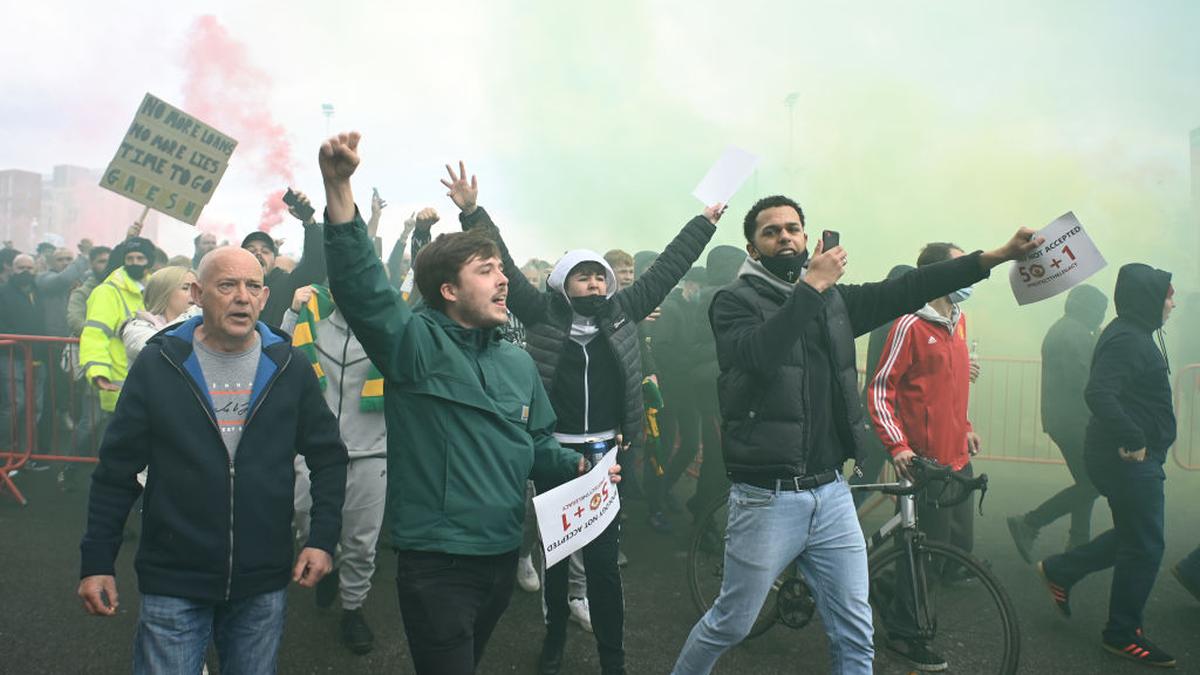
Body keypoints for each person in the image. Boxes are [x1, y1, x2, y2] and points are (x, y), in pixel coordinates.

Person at [671, 195, 1039, 675]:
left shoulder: (834, 302)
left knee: (854, 631)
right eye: (771, 231)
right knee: (731, 624)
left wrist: (995, 256)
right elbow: (760, 356)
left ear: (807, 238)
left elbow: (911, 287)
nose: (785, 236)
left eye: (793, 228)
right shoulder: (734, 301)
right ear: (753, 248)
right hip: (768, 497)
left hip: (831, 493)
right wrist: (813, 287)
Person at [318, 132, 619, 675]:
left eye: (503, 271)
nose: (505, 281)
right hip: (438, 564)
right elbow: (362, 287)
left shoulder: (517, 363)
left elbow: (535, 442)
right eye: (488, 272)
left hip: (502, 556)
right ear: (449, 290)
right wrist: (339, 190)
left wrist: (580, 466)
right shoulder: (414, 346)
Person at [438, 160, 725, 675]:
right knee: (553, 555)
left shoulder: (624, 311)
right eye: (582, 276)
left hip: (606, 457)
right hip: (553, 456)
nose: (593, 284)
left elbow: (670, 267)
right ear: (562, 283)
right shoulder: (540, 313)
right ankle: (552, 642)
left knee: (603, 567)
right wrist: (472, 212)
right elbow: (497, 254)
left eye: (600, 277)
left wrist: (705, 221)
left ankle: (612, 658)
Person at [77, 246, 349, 674]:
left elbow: (329, 457)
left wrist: (322, 536)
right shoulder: (160, 363)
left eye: (253, 286)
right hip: (173, 578)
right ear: (198, 295)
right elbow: (116, 471)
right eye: (227, 286)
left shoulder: (288, 366)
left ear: (264, 297)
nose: (242, 296)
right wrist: (96, 561)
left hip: (261, 579)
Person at [1037, 264, 1177, 668]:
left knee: (1135, 536)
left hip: (1126, 456)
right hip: (1127, 459)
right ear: (1149, 298)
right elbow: (1098, 392)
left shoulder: (1130, 333)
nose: (1172, 303)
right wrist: (1134, 439)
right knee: (1146, 545)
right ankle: (1121, 634)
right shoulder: (1127, 339)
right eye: (1168, 296)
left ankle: (1061, 570)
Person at [867, 242, 981, 671]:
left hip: (956, 458)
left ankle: (882, 586)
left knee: (945, 550)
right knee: (925, 557)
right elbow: (880, 389)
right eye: (961, 266)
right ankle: (904, 632)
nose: (971, 274)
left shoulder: (959, 320)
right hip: (923, 463)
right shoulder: (909, 324)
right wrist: (897, 446)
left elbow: (949, 386)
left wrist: (966, 427)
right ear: (936, 276)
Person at [282, 284, 388, 655]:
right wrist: (293, 312)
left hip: (371, 451)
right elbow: (280, 356)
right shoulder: (313, 323)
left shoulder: (386, 331)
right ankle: (327, 559)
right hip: (313, 451)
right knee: (305, 520)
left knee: (362, 541)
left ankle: (353, 608)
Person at [1008, 284, 1108, 560]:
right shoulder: (1075, 335)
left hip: (1064, 419)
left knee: (1085, 481)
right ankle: (1030, 522)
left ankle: (1078, 542)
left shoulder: (1064, 329)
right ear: (1089, 310)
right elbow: (1085, 381)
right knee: (1093, 483)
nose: (1101, 317)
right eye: (1099, 311)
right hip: (1075, 420)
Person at [850, 264, 914, 508]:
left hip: (874, 415)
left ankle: (833, 523)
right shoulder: (900, 324)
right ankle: (907, 533)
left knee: (863, 478)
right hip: (890, 417)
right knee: (910, 478)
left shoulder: (884, 320)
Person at [79, 237, 153, 415]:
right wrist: (98, 373)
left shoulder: (156, 289)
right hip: (117, 385)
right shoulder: (107, 292)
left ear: (149, 261)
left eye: (140, 258)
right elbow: (94, 336)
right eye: (130, 258)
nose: (134, 263)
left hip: (150, 386)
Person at [242, 189, 328, 327]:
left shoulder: (286, 284)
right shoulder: (232, 288)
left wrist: (309, 222)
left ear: (274, 260)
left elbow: (314, 264)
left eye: (265, 251)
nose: (258, 254)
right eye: (251, 250)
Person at [0, 254, 49, 454]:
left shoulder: (39, 292)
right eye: (21, 267)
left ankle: (24, 453)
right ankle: (4, 451)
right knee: (14, 405)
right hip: (11, 356)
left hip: (37, 357)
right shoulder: (3, 293)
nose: (26, 272)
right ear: (12, 269)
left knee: (34, 408)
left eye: (30, 267)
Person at [120, 266, 198, 363]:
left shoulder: (202, 325)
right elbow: (158, 350)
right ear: (162, 293)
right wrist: (193, 314)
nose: (195, 294)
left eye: (197, 289)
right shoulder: (136, 328)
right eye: (185, 288)